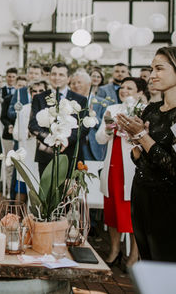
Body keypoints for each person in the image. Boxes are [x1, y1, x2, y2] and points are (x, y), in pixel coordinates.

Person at [119, 47, 176, 262]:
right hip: (142, 195)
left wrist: (142, 135)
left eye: (159, 69)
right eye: (152, 69)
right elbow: (142, 161)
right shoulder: (150, 110)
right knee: (149, 260)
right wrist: (135, 144)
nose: (152, 76)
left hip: (169, 204)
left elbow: (172, 167)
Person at [96, 77, 147, 269]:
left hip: (132, 166)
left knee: (131, 213)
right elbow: (100, 139)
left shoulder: (144, 109)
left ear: (140, 92)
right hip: (113, 165)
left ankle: (134, 256)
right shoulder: (113, 109)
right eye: (122, 87)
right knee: (112, 212)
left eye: (130, 88)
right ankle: (115, 250)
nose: (124, 90)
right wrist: (109, 128)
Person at [28, 62, 88, 176]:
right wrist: (52, 140)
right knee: (48, 193)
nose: (57, 77)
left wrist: (65, 141)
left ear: (68, 78)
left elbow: (83, 127)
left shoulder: (80, 100)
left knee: (70, 192)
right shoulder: (39, 98)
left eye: (61, 75)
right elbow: (33, 125)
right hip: (46, 152)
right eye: (54, 74)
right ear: (49, 76)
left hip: (71, 153)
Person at [12, 80, 48, 203]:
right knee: (22, 189)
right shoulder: (24, 109)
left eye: (41, 91)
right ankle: (19, 219)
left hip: (44, 155)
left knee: (40, 189)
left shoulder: (51, 110)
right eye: (34, 91)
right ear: (30, 93)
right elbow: (15, 133)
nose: (37, 94)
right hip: (26, 154)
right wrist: (27, 133)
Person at [70, 70, 108, 162]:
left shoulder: (102, 103)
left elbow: (106, 127)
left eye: (79, 82)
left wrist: (91, 115)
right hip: (71, 149)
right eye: (73, 83)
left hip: (93, 150)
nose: (76, 85)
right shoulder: (68, 103)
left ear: (89, 84)